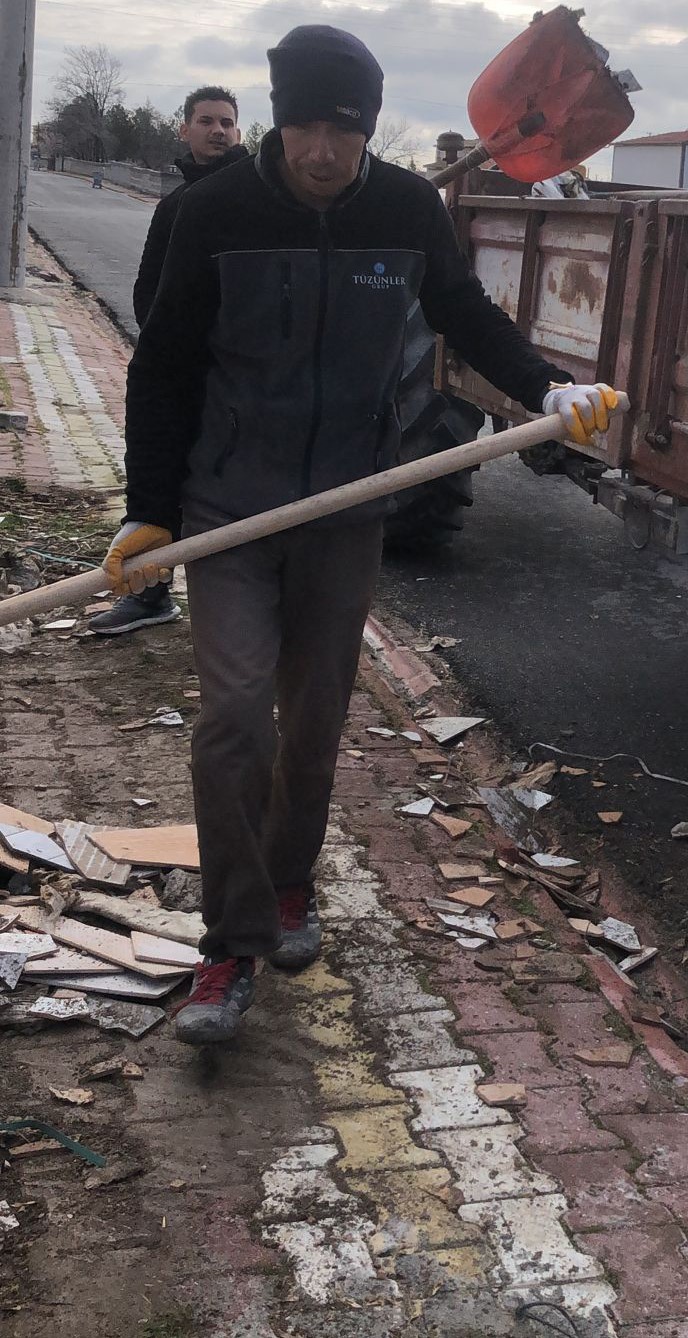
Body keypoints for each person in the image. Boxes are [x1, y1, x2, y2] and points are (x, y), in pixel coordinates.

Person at [103, 24, 621, 1046]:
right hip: (229, 508)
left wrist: (546, 385)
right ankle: (229, 944)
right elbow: (158, 366)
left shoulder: (404, 208)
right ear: (278, 117)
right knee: (236, 719)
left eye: (343, 131)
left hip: (348, 501)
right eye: (305, 125)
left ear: (370, 132)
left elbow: (461, 310)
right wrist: (148, 504)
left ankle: (290, 886)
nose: (322, 151)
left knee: (316, 719)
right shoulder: (210, 213)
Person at [91, 87, 247, 637]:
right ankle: (151, 591)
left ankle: (228, 603)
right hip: (187, 368)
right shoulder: (177, 204)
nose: (217, 131)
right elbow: (150, 288)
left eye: (226, 122)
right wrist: (167, 343)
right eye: (206, 121)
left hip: (238, 374)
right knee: (166, 471)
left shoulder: (252, 198)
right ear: (184, 129)